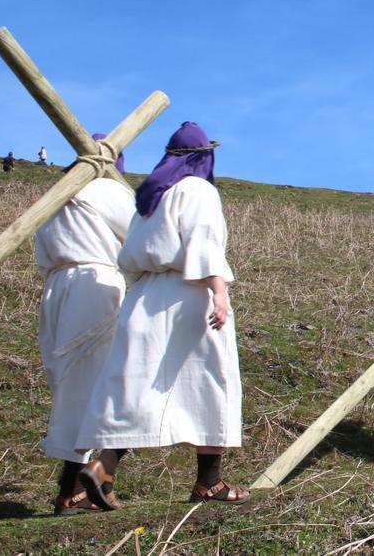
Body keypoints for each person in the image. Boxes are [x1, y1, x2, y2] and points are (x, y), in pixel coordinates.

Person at [76, 122, 247, 508]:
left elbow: (130, 255)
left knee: (137, 387)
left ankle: (103, 468)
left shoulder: (150, 198)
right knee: (211, 381)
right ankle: (210, 482)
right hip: (191, 293)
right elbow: (203, 242)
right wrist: (219, 291)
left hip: (145, 297)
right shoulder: (199, 190)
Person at [35, 135, 134, 515]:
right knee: (100, 386)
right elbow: (139, 238)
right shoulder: (107, 191)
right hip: (96, 287)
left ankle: (71, 488)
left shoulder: (59, 196)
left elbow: (42, 248)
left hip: (56, 290)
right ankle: (78, 488)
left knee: (73, 386)